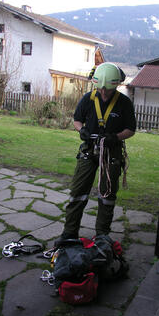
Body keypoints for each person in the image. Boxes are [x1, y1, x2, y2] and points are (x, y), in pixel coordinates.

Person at [58, 62, 136, 242]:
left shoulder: (124, 103)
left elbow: (130, 130)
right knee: (78, 193)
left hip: (111, 152)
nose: (103, 92)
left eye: (107, 89)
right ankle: (69, 233)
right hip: (88, 150)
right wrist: (81, 130)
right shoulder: (88, 99)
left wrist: (115, 137)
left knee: (107, 195)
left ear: (116, 85)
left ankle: (102, 235)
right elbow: (77, 120)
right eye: (100, 88)